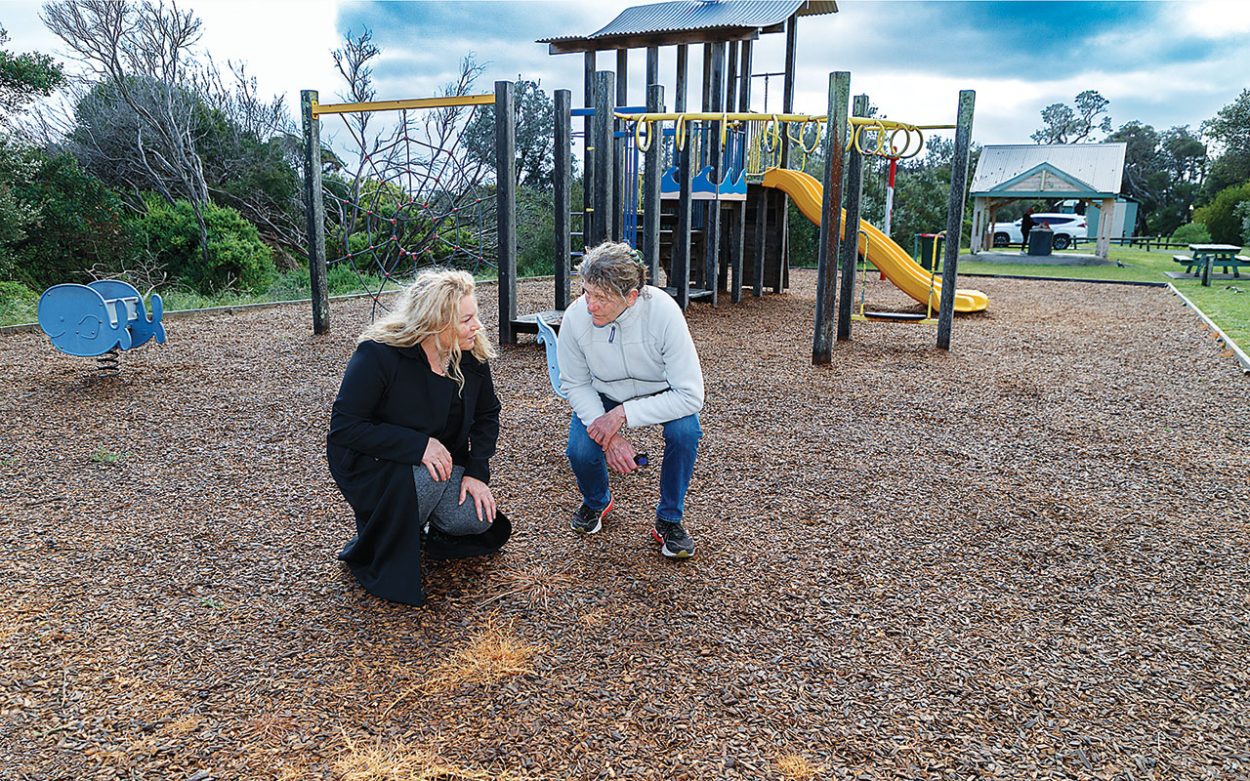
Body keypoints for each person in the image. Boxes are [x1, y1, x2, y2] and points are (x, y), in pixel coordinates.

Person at [326, 269, 510, 606]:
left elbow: (487, 414)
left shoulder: (469, 355)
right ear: (436, 321)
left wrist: (476, 472)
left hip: (436, 460)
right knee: (430, 473)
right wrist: (418, 445)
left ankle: (422, 526)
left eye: (476, 316)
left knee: (474, 518)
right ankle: (382, 538)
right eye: (467, 319)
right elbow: (345, 427)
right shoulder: (378, 354)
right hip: (373, 461)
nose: (478, 326)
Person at [557, 241, 705, 559]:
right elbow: (576, 383)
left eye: (602, 298)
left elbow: (691, 394)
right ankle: (597, 501)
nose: (590, 305)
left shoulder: (663, 312)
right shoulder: (575, 318)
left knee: (686, 432)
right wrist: (608, 437)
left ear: (632, 297)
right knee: (580, 450)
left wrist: (624, 414)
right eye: (586, 292)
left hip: (658, 390)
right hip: (603, 391)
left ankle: (669, 520)